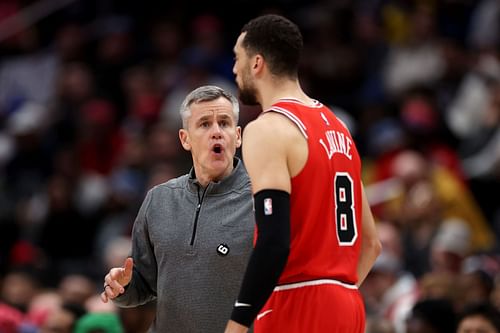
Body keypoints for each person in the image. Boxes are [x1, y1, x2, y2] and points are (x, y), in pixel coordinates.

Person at [225, 14, 382, 333]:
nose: (233, 69)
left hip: (296, 301)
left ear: (257, 63)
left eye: (236, 59)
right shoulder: (339, 127)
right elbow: (372, 244)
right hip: (348, 302)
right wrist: (335, 292)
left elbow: (273, 241)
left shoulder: (268, 128)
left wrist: (238, 324)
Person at [100, 85, 255, 332]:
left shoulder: (262, 201)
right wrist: (124, 286)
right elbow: (145, 285)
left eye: (224, 123)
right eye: (204, 124)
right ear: (185, 139)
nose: (216, 132)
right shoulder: (158, 199)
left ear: (237, 136)